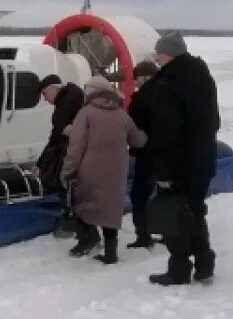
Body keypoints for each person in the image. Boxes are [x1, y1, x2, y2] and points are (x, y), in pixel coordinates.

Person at [146, 32, 221, 285]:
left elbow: (165, 133)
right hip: (203, 160)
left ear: (168, 54)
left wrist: (163, 171)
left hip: (179, 165)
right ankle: (204, 263)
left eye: (158, 54)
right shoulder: (203, 78)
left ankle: (179, 269)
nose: (156, 58)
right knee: (195, 212)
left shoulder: (170, 84)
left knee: (175, 215)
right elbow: (215, 122)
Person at [60, 75, 147, 264]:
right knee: (110, 209)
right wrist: (147, 134)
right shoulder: (121, 114)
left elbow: (76, 146)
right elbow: (137, 140)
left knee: (82, 204)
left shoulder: (86, 113)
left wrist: (67, 171)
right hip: (116, 171)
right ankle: (110, 253)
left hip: (89, 170)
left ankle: (87, 241)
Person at [125, 59, 160, 249]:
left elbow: (133, 126)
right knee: (164, 193)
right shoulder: (168, 94)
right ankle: (169, 231)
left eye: (137, 78)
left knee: (139, 195)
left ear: (144, 78)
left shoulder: (142, 99)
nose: (135, 82)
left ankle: (143, 235)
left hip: (146, 153)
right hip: (166, 153)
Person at [34, 74, 85, 192]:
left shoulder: (67, 103)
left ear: (54, 88)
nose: (45, 99)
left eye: (45, 94)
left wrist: (40, 164)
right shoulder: (69, 99)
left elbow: (56, 136)